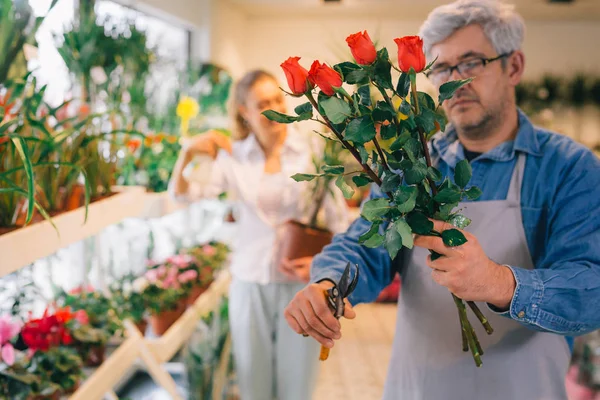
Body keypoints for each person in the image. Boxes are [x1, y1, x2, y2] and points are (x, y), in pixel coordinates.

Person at [284, 1, 600, 399]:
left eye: (471, 63)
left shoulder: (569, 168)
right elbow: (367, 246)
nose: (456, 81)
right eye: (443, 68)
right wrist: (329, 284)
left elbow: (592, 289)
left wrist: (498, 282)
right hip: (419, 388)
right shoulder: (407, 166)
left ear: (514, 67)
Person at [169, 69, 349, 400]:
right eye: (262, 103)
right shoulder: (234, 156)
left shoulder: (311, 151)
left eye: (277, 99)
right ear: (244, 111)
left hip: (301, 284)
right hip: (249, 281)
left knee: (298, 382)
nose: (273, 108)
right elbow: (183, 195)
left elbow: (340, 222)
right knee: (253, 382)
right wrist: (187, 153)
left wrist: (324, 267)